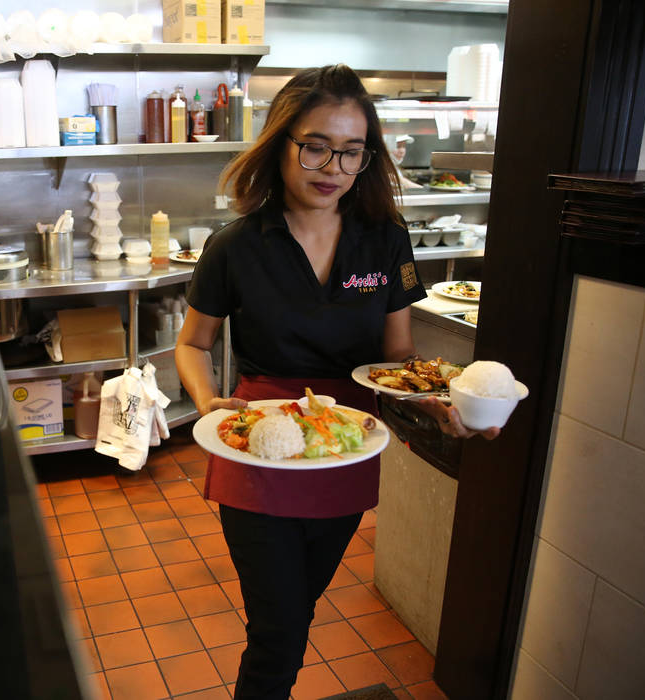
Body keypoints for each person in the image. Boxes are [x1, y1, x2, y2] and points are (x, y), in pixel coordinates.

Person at [174, 64, 497, 700]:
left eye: (352, 151)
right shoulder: (235, 245)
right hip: (256, 443)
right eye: (316, 145)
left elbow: (397, 354)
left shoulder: (385, 240)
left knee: (299, 609)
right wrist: (207, 400)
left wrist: (425, 402)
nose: (333, 167)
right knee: (279, 629)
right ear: (282, 142)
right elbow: (192, 342)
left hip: (350, 442)